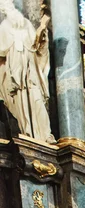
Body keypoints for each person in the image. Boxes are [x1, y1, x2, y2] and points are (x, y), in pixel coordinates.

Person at [0, 3, 55, 143]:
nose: (10, 9)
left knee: (37, 101)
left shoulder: (26, 24)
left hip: (31, 73)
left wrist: (42, 33)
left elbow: (37, 46)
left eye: (11, 5)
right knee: (22, 106)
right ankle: (29, 135)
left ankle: (45, 134)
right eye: (7, 7)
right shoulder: (4, 27)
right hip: (16, 77)